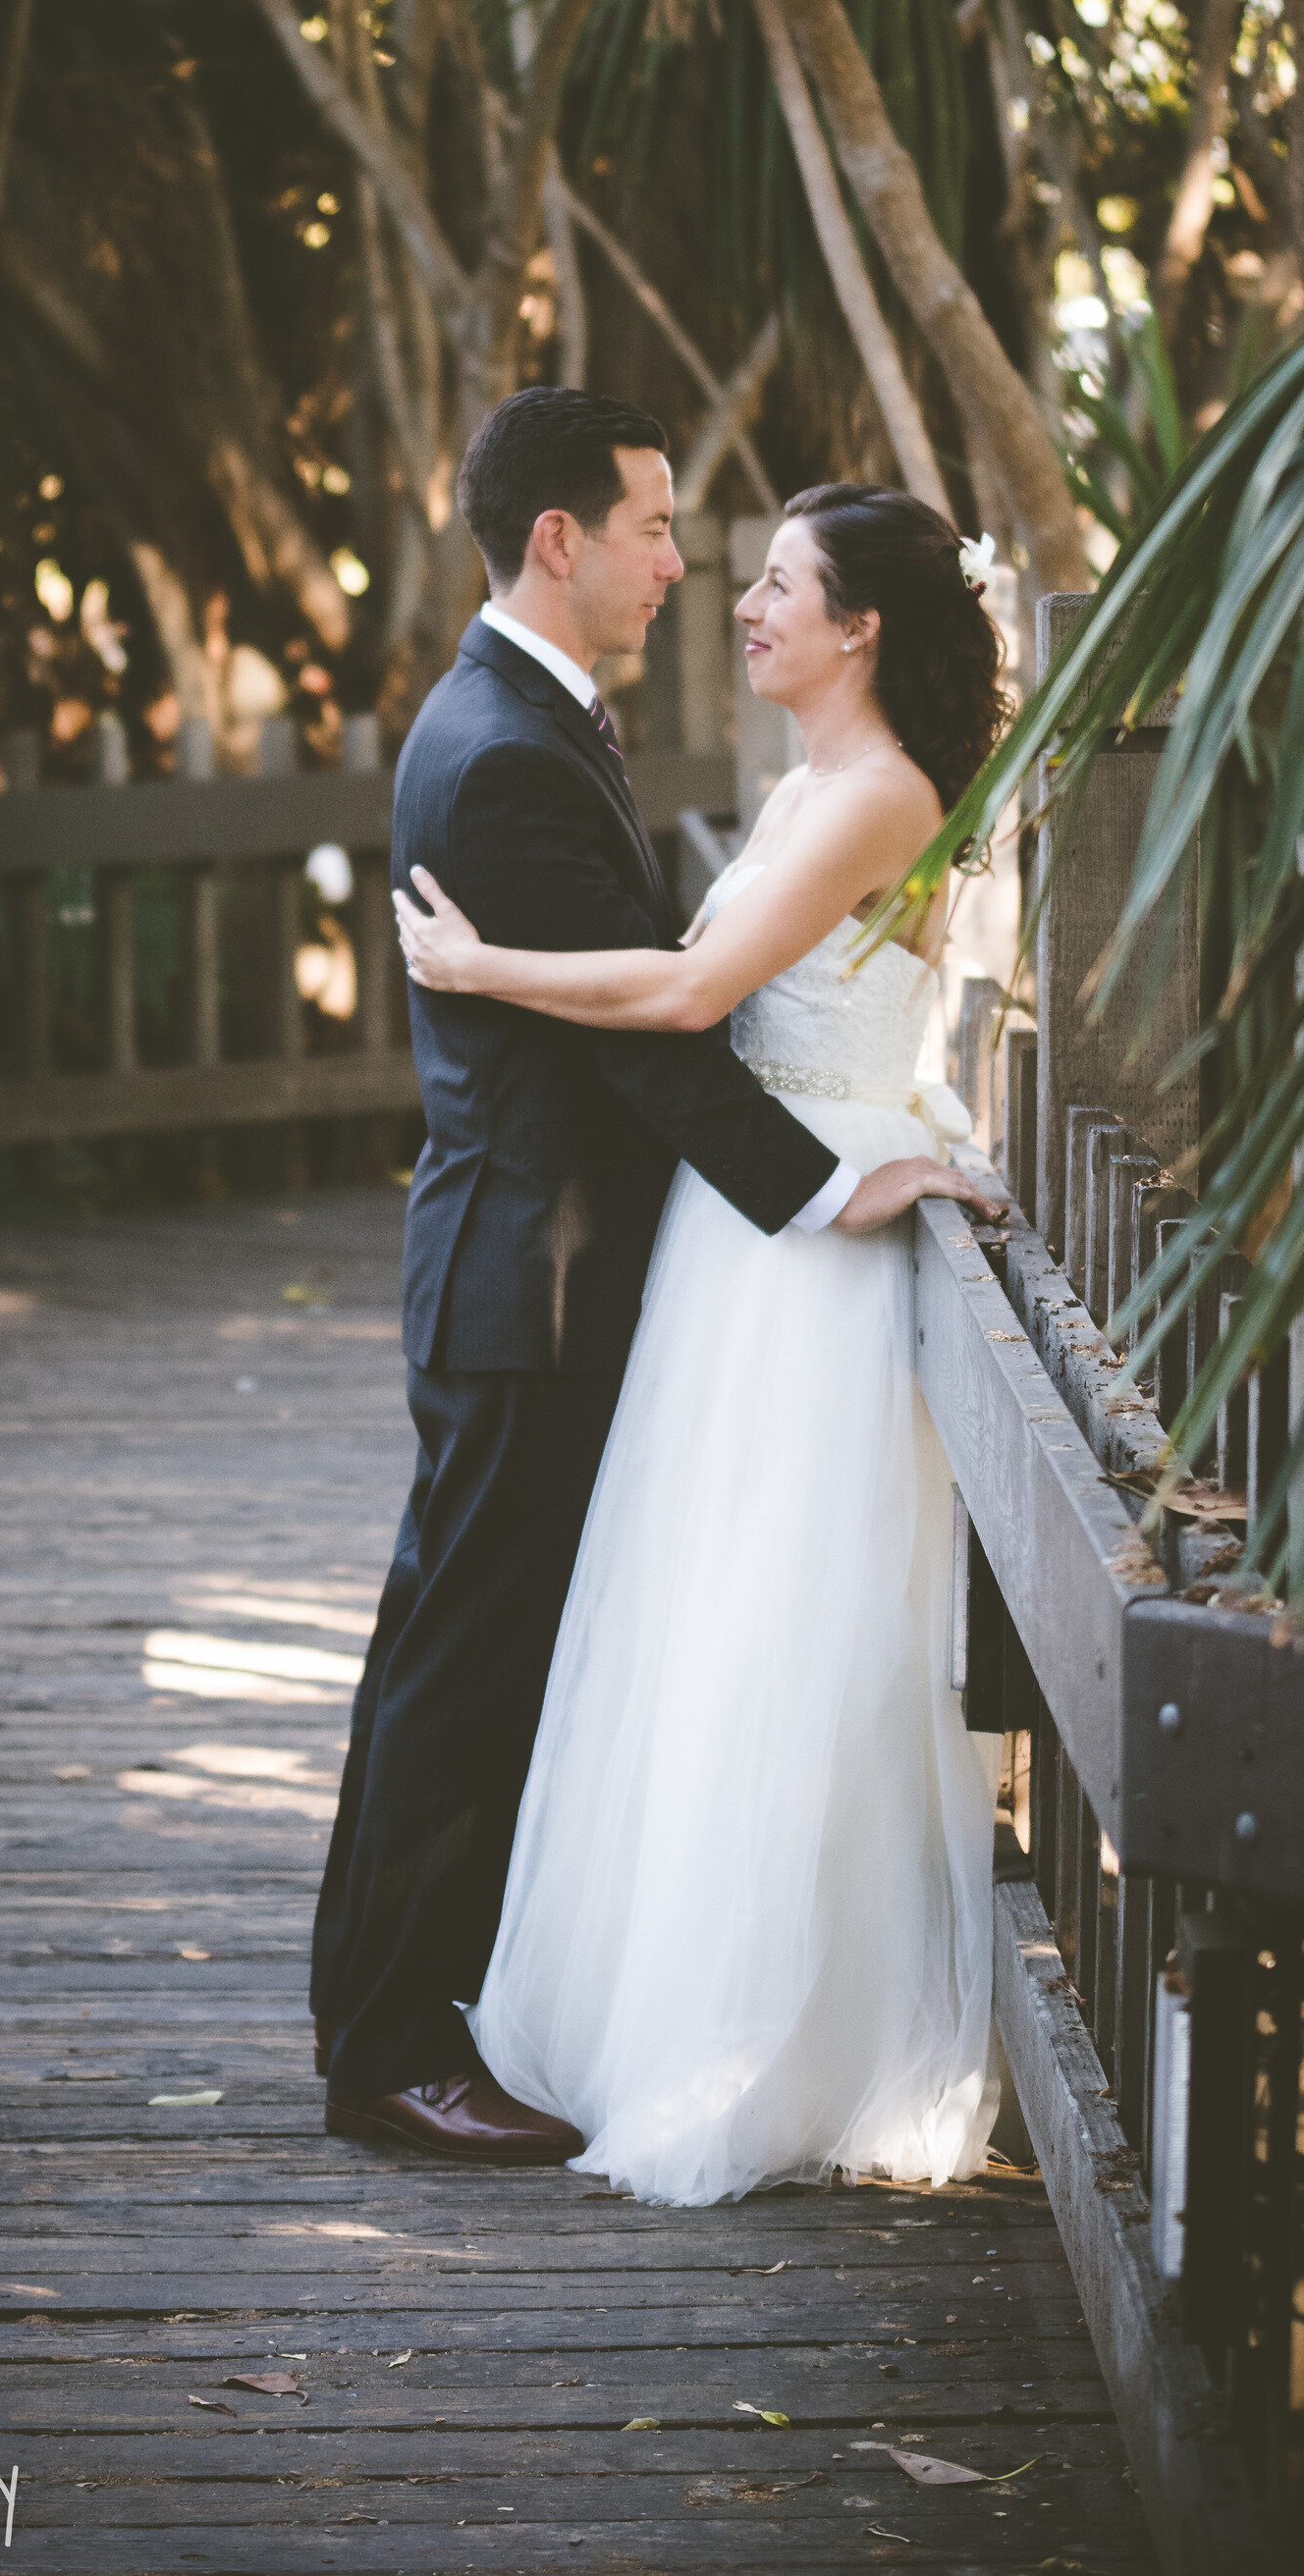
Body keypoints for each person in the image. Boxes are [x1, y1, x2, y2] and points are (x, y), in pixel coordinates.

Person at [307, 392, 998, 2166]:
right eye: (657, 528)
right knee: (464, 1657)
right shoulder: (515, 744)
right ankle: (392, 2043)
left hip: (547, 1263)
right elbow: (664, 1035)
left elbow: (673, 992)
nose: (683, 568)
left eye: (741, 558)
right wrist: (830, 1186)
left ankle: (386, 2008)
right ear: (562, 538)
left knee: (457, 1641)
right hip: (529, 1271)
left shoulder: (527, 717)